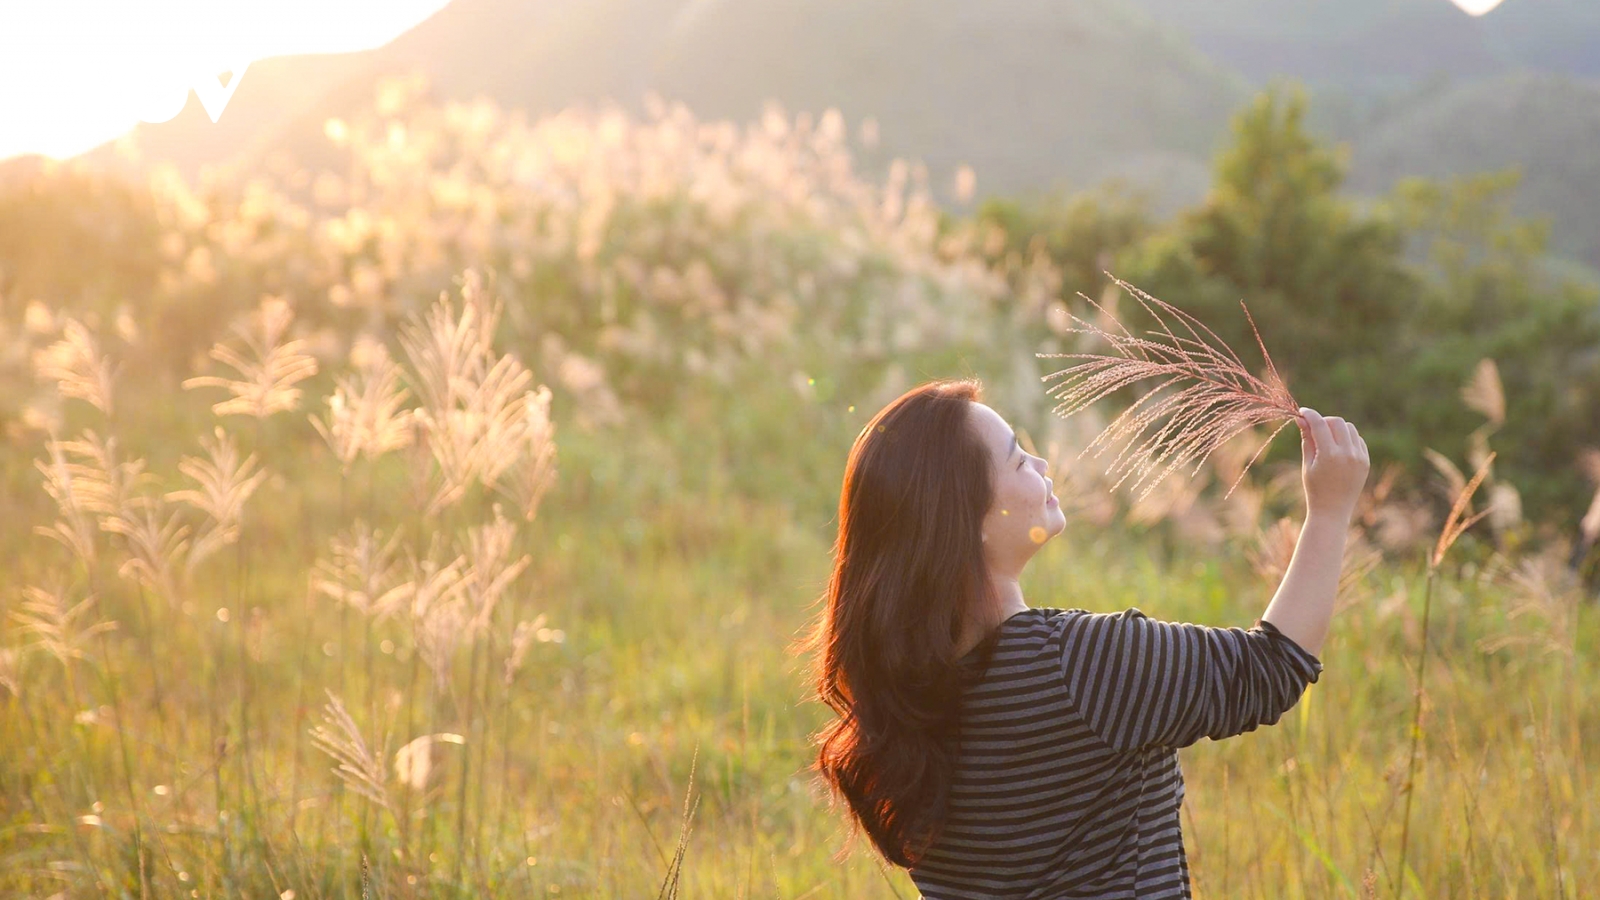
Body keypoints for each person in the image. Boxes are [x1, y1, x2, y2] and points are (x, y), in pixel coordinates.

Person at [806, 377, 1369, 898]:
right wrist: (1329, 510)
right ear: (970, 520)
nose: (1041, 463)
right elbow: (1272, 667)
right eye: (1018, 458)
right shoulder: (1080, 664)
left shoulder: (901, 704)